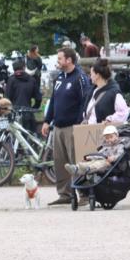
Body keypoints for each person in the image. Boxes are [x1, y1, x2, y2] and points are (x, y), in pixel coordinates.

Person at [42, 46, 92, 206]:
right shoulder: (59, 78)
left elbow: (85, 101)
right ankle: (64, 193)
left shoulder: (80, 78)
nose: (58, 62)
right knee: (60, 161)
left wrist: (79, 122)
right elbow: (53, 101)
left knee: (76, 161)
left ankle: (83, 193)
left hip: (73, 126)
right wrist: (47, 120)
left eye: (60, 59)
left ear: (69, 60)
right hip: (58, 126)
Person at [84, 59, 129, 124]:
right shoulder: (94, 90)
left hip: (103, 130)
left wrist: (110, 119)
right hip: (90, 129)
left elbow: (124, 112)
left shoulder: (114, 93)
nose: (90, 77)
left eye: (91, 74)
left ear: (97, 75)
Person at [5, 59, 41, 132]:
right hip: (28, 111)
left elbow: (7, 98)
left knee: (16, 138)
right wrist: (33, 108)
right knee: (30, 136)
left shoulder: (11, 80)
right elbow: (38, 98)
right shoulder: (31, 79)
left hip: (14, 113)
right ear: (24, 67)